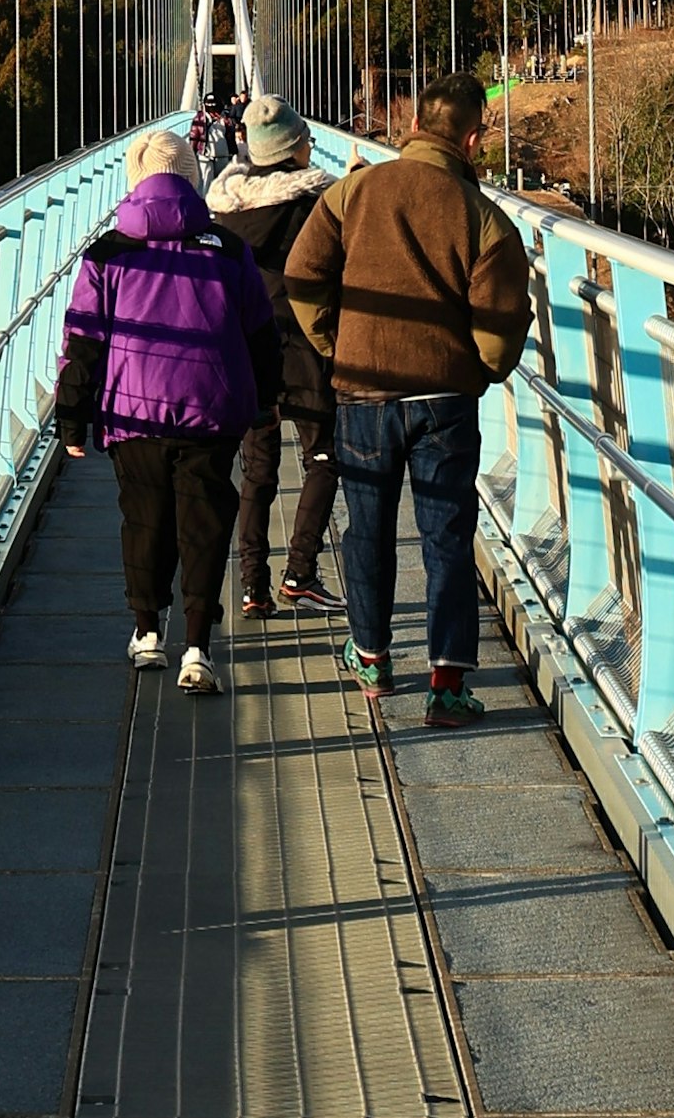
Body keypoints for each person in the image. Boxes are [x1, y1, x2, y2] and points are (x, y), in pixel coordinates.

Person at [285, 70, 531, 730]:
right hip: (445, 399)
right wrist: (480, 366)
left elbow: (302, 272)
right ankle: (447, 684)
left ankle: (372, 657)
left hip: (361, 389)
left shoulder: (354, 190)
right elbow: (501, 323)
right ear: (474, 138)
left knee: (367, 528)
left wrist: (334, 341)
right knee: (446, 533)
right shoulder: (485, 218)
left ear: (415, 125)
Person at [50, 126, 277, 690]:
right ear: (193, 179)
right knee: (204, 524)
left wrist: (72, 416)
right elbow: (261, 335)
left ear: (135, 180)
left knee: (144, 520)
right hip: (213, 410)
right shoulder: (228, 249)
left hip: (133, 412)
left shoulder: (107, 253)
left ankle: (148, 633)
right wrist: (266, 402)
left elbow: (84, 340)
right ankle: (197, 647)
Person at [207, 98, 335, 622]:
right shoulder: (316, 207)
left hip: (248, 348)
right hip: (305, 346)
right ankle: (300, 572)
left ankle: (252, 587)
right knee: (326, 457)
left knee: (258, 470)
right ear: (292, 150)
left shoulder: (224, 214)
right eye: (304, 139)